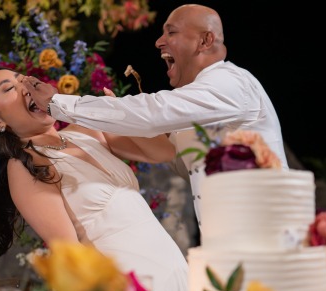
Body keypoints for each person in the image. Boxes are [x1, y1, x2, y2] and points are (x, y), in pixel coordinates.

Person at [0, 65, 189, 291]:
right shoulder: (25, 165)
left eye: (22, 79)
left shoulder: (89, 130)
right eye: (9, 88)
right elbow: (67, 249)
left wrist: (122, 115)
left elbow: (163, 153)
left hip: (175, 272)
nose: (24, 86)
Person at [21, 4, 289, 226]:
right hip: (226, 244)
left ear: (205, 40)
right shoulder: (199, 102)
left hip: (268, 237)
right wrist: (115, 122)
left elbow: (152, 112)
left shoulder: (230, 83)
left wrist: (57, 103)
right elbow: (174, 157)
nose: (159, 42)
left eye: (171, 32)